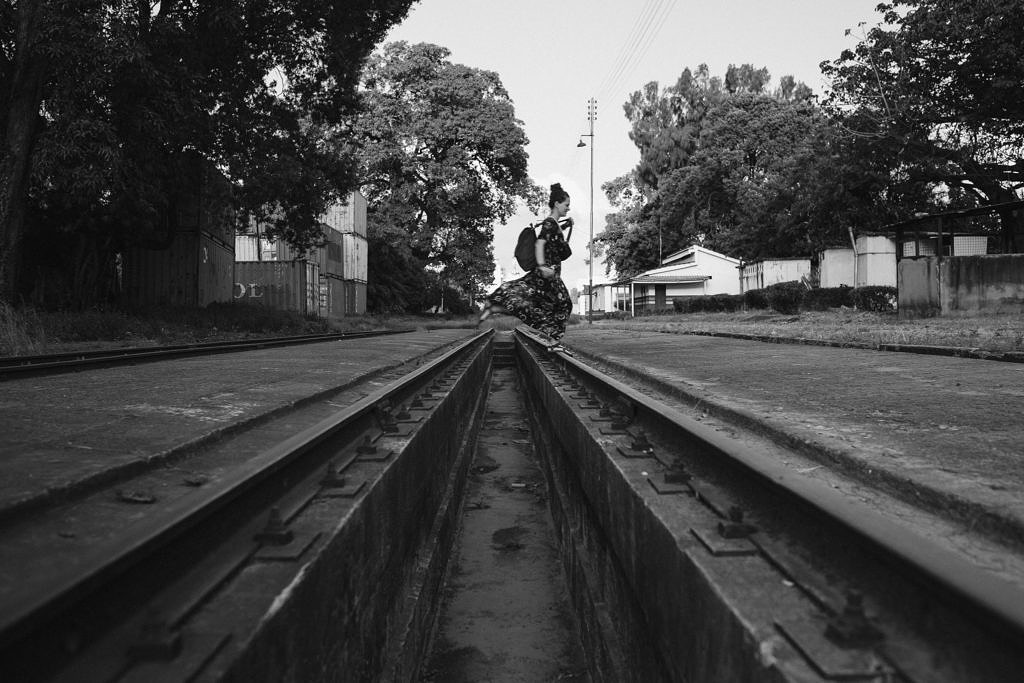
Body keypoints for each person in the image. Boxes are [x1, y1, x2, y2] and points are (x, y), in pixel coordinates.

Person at [479, 182, 574, 353]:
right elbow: (540, 243)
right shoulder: (549, 223)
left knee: (535, 301)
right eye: (566, 205)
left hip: (550, 273)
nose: (568, 208)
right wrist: (542, 266)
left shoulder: (553, 224)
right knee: (564, 304)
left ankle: (494, 305)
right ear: (557, 204)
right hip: (548, 273)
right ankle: (553, 341)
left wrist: (566, 226)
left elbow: (555, 241)